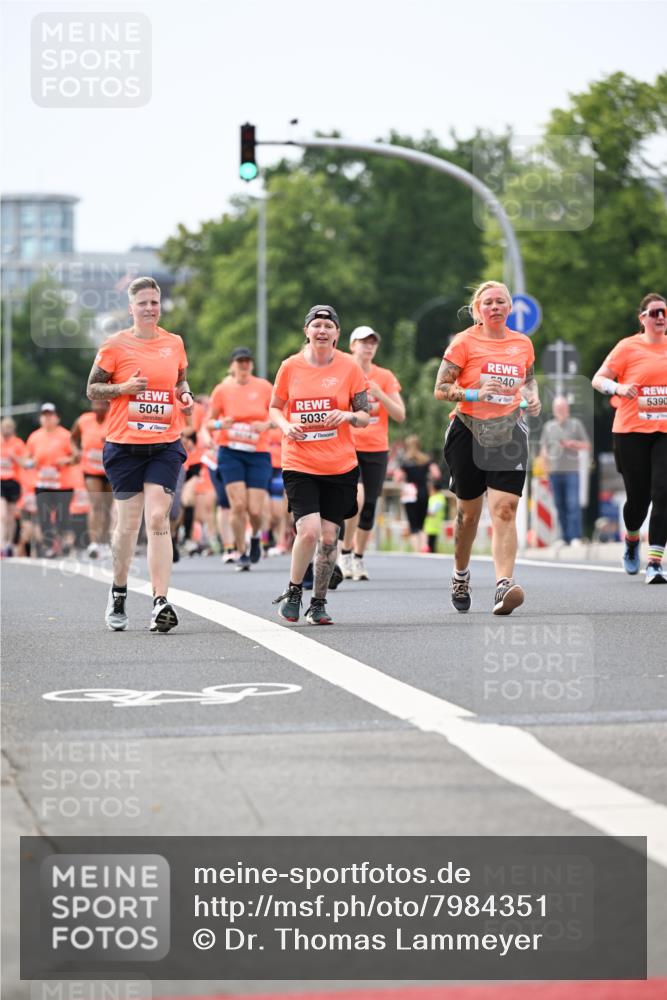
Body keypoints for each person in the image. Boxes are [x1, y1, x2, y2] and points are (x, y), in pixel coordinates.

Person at [86, 276, 193, 632]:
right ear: (131, 308)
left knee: (159, 518)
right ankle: (118, 591)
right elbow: (93, 389)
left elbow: (180, 380)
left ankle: (161, 600)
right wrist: (124, 388)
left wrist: (184, 395)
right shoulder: (115, 346)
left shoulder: (173, 343)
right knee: (128, 525)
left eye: (155, 302)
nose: (150, 308)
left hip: (164, 444)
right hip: (124, 447)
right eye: (143, 303)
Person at [434, 280, 541, 615]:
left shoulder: (522, 343)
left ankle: (502, 586)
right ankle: (460, 575)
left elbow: (529, 378)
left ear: (510, 308)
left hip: (509, 429)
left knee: (506, 508)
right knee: (468, 514)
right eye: (488, 302)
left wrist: (532, 395)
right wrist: (473, 394)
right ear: (477, 310)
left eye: (501, 302)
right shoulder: (464, 343)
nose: (495, 307)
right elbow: (441, 388)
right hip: (468, 427)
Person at [269, 304, 370, 624]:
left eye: (329, 325)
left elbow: (366, 416)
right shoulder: (290, 367)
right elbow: (274, 408)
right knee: (309, 531)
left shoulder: (350, 368)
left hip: (339, 465)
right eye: (316, 325)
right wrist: (285, 427)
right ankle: (295, 589)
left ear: (338, 334)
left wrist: (349, 415)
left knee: (329, 538)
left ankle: (319, 602)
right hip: (299, 461)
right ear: (307, 331)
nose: (322, 330)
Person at [592, 292, 667, 583]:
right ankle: (632, 538)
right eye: (655, 312)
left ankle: (655, 562)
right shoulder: (627, 347)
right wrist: (619, 389)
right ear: (643, 318)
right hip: (631, 431)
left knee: (663, 493)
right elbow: (598, 379)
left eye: (664, 312)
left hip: (664, 431)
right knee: (639, 498)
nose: (661, 317)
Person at [339, 326, 405, 581]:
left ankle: (357, 558)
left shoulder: (384, 376)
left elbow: (400, 414)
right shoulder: (343, 371)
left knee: (369, 506)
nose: (368, 347)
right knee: (356, 498)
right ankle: (344, 551)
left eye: (372, 343)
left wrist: (379, 394)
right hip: (348, 445)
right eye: (363, 342)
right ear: (352, 345)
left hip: (377, 448)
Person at [207, 347, 273, 571]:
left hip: (258, 453)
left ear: (252, 365)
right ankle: (241, 551)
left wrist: (267, 424)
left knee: (254, 510)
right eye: (239, 362)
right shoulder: (222, 390)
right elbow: (208, 422)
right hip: (230, 451)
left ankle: (255, 535)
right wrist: (219, 425)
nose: (244, 365)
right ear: (232, 365)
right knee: (237, 505)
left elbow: (280, 414)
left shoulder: (264, 387)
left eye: (247, 361)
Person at [25, 403, 79, 558]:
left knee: (62, 517)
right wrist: (30, 463)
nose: (47, 418)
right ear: (41, 418)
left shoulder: (66, 435)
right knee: (44, 517)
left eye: (50, 415)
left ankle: (65, 543)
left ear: (57, 418)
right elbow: (26, 459)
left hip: (63, 484)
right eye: (44, 415)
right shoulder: (34, 437)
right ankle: (50, 546)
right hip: (42, 484)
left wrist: (68, 460)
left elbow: (77, 457)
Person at [539, 396, 591, 545]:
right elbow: (543, 449)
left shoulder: (576, 424)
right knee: (559, 505)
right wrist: (544, 469)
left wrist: (573, 444)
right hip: (554, 472)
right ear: (554, 410)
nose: (560, 411)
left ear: (567, 410)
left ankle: (575, 536)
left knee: (573, 504)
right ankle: (564, 537)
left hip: (571, 471)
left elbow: (587, 445)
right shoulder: (548, 427)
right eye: (558, 408)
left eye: (563, 408)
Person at [70, 399, 112, 558]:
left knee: (107, 507)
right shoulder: (84, 420)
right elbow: (73, 437)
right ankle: (93, 543)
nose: (99, 407)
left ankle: (103, 542)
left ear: (108, 406)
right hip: (90, 469)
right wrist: (76, 451)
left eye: (103, 404)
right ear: (92, 405)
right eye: (96, 404)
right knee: (96, 504)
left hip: (110, 470)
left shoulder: (114, 418)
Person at [395, 434, 432, 553]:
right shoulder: (426, 459)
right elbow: (436, 474)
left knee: (413, 524)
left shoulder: (405, 461)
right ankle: (424, 546)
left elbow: (398, 478)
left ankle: (417, 550)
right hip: (423, 492)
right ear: (419, 445)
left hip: (410, 494)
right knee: (422, 523)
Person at [1, 417, 26, 557]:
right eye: (4, 427)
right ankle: (1, 544)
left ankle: (10, 543)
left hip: (14, 482)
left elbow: (25, 464)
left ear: (13, 429)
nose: (6, 430)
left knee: (11, 516)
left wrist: (15, 458)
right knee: (2, 514)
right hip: (1, 482)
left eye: (9, 428)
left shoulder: (18, 444)